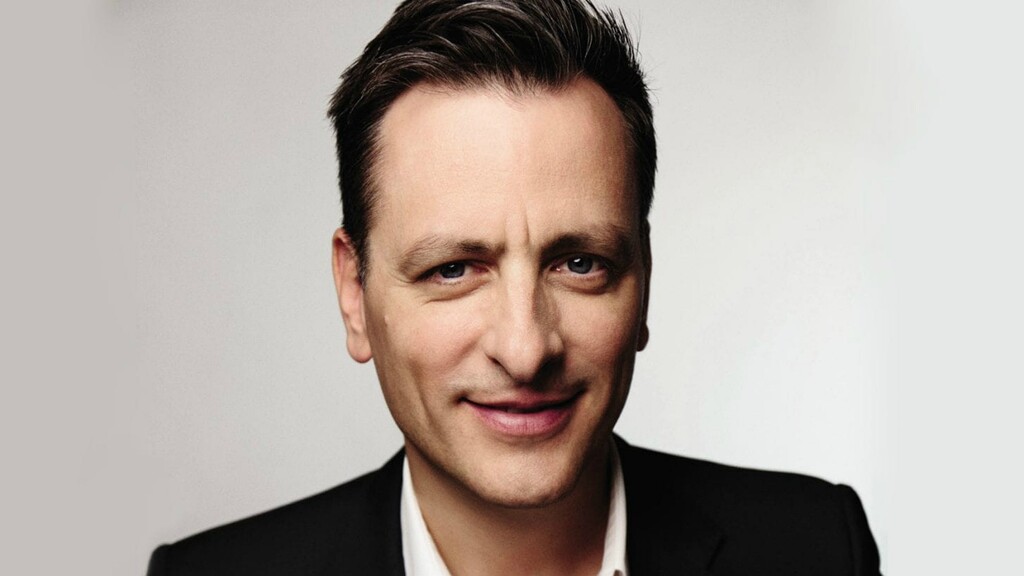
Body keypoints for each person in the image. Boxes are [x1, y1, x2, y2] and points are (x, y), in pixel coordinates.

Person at [147, 0, 881, 574]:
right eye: (453, 269)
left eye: (580, 263)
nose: (526, 350)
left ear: (645, 278)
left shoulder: (817, 551)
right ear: (354, 293)